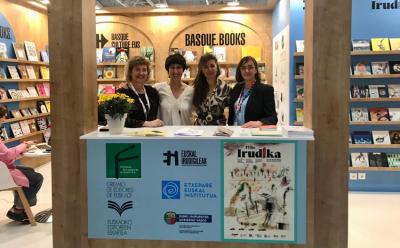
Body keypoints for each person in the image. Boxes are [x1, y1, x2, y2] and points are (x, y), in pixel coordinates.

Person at [0, 105, 43, 223]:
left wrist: (21, 151)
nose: (4, 119)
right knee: (37, 178)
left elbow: (4, 156)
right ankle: (19, 210)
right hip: (2, 173)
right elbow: (7, 155)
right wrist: (25, 145)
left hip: (3, 168)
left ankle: (18, 208)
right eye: (3, 117)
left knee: (29, 170)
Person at [228, 56, 278, 127]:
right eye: (243, 68)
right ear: (240, 70)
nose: (247, 70)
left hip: (252, 133)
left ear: (256, 70)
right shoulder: (237, 87)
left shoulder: (266, 90)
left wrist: (260, 122)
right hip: (234, 131)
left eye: (250, 67)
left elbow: (273, 118)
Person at [117, 56, 164, 128]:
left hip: (152, 135)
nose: (141, 73)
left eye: (144, 70)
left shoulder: (152, 92)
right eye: (137, 69)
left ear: (148, 73)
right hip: (130, 136)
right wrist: (145, 123)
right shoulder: (123, 92)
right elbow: (120, 119)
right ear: (130, 72)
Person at [153, 53, 194, 125]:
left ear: (183, 69)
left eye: (178, 67)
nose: (175, 71)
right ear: (168, 69)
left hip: (186, 133)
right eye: (172, 67)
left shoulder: (191, 91)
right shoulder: (158, 88)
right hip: (165, 134)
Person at [193, 53, 230, 125]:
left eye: (212, 66)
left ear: (217, 67)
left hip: (219, 128)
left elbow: (234, 109)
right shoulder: (195, 87)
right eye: (205, 67)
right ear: (202, 70)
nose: (209, 69)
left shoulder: (226, 88)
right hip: (199, 128)